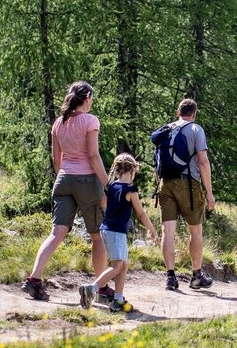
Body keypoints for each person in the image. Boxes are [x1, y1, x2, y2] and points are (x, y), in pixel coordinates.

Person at [21, 82, 111, 302]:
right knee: (97, 236)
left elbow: (56, 159)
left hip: (63, 180)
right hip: (87, 181)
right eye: (92, 97)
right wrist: (107, 183)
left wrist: (64, 175)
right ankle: (100, 287)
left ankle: (34, 279)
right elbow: (92, 155)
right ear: (87, 97)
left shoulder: (59, 123)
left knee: (56, 233)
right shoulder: (91, 121)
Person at [79, 153, 158, 312]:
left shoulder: (112, 186)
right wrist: (152, 230)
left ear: (117, 169)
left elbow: (103, 202)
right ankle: (91, 289)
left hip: (107, 229)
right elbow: (141, 214)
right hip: (116, 232)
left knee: (124, 264)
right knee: (117, 266)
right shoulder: (130, 190)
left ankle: (118, 299)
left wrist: (111, 214)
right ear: (132, 170)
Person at [157, 98, 216, 291]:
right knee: (195, 231)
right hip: (189, 184)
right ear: (194, 114)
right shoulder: (196, 130)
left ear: (178, 112)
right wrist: (209, 193)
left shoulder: (166, 129)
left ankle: (170, 277)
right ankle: (197, 276)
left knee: (168, 231)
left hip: (165, 183)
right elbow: (203, 162)